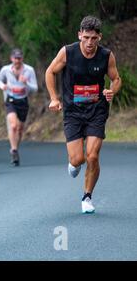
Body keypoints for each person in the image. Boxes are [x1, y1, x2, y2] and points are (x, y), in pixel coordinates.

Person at [45, 15, 121, 214]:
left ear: (99, 38)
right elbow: (50, 72)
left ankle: (87, 196)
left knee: (93, 155)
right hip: (73, 111)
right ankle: (74, 163)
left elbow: (116, 78)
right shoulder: (68, 52)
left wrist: (112, 90)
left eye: (93, 38)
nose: (89, 43)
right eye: (86, 37)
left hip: (97, 110)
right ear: (80, 35)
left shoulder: (106, 56)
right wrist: (54, 98)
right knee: (78, 159)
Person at [0, 48, 38, 166]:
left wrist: (26, 83)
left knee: (20, 129)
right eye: (15, 58)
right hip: (10, 100)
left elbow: (35, 88)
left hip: (23, 100)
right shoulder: (6, 69)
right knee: (14, 126)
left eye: (19, 58)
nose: (17, 61)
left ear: (22, 58)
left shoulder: (29, 70)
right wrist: (3, 86)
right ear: (11, 58)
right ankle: (14, 150)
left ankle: (15, 149)